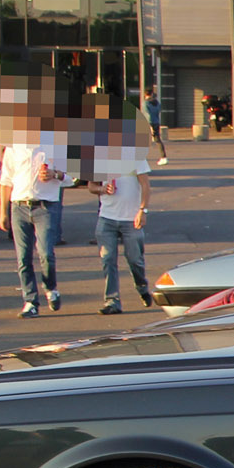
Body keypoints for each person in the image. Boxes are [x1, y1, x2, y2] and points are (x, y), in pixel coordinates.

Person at [0, 123, 64, 317]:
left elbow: (71, 178)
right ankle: (30, 301)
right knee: (23, 257)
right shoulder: (14, 147)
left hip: (45, 206)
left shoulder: (55, 146)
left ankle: (51, 288)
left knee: (45, 253)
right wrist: (3, 212)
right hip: (19, 206)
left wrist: (55, 174)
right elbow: (5, 181)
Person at [87, 162, 154, 314]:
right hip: (106, 218)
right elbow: (91, 186)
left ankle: (142, 287)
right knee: (108, 258)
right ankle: (112, 300)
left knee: (135, 259)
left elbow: (145, 185)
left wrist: (143, 210)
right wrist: (102, 189)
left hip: (131, 219)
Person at [142, 87, 169, 166]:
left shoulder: (146, 103)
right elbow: (159, 110)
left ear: (145, 94)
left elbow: (148, 115)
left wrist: (150, 126)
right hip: (156, 122)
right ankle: (163, 157)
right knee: (158, 140)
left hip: (149, 124)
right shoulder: (157, 102)